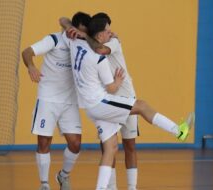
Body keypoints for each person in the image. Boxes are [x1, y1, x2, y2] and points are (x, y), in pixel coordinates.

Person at [62, 16, 193, 190]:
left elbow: (64, 21)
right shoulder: (95, 55)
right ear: (98, 35)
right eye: (107, 30)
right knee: (142, 106)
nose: (112, 32)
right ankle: (179, 131)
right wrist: (116, 81)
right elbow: (111, 85)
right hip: (106, 102)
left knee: (113, 147)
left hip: (100, 104)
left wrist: (77, 32)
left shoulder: (87, 43)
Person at [21, 12, 91, 190]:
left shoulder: (85, 43)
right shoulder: (53, 39)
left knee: (75, 144)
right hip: (48, 99)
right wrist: (31, 66)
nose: (80, 36)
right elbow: (27, 52)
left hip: (70, 101)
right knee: (44, 143)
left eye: (84, 33)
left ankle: (63, 175)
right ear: (71, 28)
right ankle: (44, 184)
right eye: (78, 31)